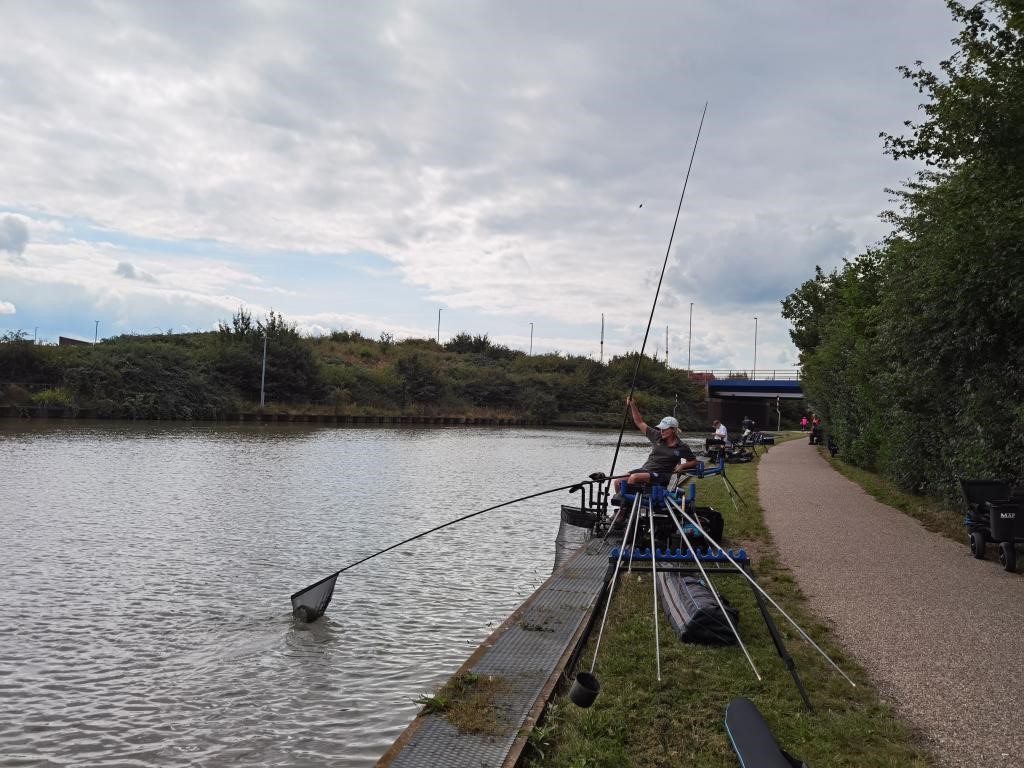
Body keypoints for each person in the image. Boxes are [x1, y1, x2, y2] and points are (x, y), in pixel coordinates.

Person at [614, 396, 699, 495]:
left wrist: (683, 465)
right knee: (617, 482)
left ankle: (627, 502)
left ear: (673, 430)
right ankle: (621, 503)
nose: (661, 431)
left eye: (665, 429)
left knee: (634, 478)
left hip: (661, 476)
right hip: (645, 470)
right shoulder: (657, 436)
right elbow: (639, 422)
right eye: (661, 428)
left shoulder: (682, 446)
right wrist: (632, 405)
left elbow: (694, 461)